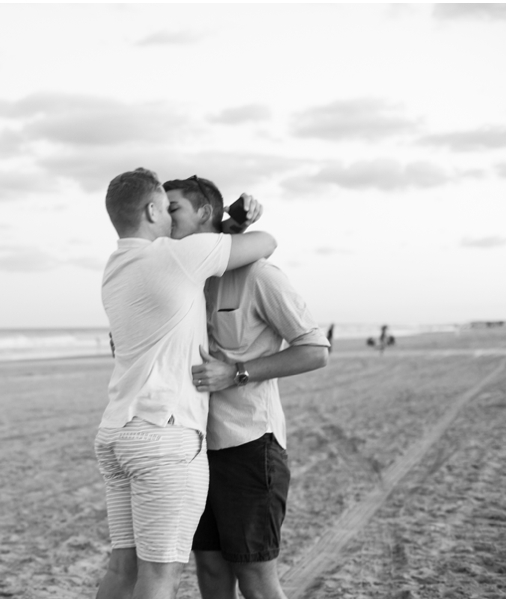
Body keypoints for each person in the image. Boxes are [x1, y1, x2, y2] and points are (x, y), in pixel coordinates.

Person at [94, 168, 277, 599]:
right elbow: (266, 242)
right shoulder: (176, 258)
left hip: (116, 434)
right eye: (168, 207)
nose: (172, 220)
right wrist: (235, 224)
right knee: (160, 577)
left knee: (123, 570)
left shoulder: (115, 266)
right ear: (152, 209)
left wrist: (221, 229)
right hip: (164, 437)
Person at [164, 176, 330, 599]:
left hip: (251, 446)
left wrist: (237, 372)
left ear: (204, 213)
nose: (163, 220)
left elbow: (314, 350)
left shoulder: (260, 275)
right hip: (196, 448)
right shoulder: (184, 279)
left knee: (256, 578)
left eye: (173, 209)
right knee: (212, 573)